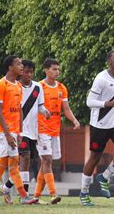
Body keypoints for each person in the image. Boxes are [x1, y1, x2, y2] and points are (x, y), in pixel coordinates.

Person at [0, 55, 36, 204]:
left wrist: (19, 132)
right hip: (2, 131)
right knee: (12, 161)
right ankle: (24, 196)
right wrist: (7, 134)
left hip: (14, 131)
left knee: (6, 162)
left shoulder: (18, 85)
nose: (21, 66)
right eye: (18, 64)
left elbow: (19, 111)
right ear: (10, 67)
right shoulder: (0, 84)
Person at [0, 59, 51, 204]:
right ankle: (24, 195)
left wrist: (45, 112)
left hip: (33, 131)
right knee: (25, 157)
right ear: (21, 73)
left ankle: (7, 186)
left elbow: (40, 106)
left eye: (31, 72)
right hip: (19, 130)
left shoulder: (37, 87)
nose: (28, 74)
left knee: (27, 163)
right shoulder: (16, 87)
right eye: (26, 71)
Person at [79, 51, 114, 206]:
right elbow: (89, 101)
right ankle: (84, 192)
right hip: (99, 124)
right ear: (109, 61)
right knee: (94, 158)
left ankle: (104, 177)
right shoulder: (100, 78)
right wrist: (107, 104)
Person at [34, 58, 80, 204]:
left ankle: (35, 196)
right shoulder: (39, 87)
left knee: (46, 162)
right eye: (54, 69)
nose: (57, 72)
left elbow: (65, 109)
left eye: (58, 69)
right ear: (46, 70)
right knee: (47, 159)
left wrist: (74, 120)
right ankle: (53, 194)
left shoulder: (61, 88)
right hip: (41, 129)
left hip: (55, 130)